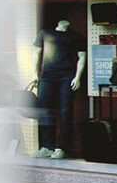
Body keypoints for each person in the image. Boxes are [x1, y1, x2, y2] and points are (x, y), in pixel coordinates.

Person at [34, 19, 86, 159]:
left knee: (66, 112)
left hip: (67, 78)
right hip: (47, 77)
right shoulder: (45, 33)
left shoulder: (76, 36)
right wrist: (36, 75)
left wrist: (77, 77)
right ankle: (46, 146)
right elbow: (37, 54)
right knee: (44, 111)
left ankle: (61, 147)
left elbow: (82, 57)